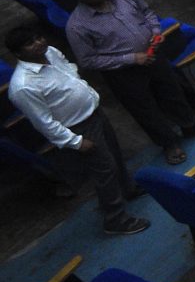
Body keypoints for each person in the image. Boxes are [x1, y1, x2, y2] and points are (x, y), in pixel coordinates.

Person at [62, 0, 195, 165]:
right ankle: (169, 144)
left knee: (171, 92)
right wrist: (131, 58)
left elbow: (146, 11)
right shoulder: (77, 26)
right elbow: (88, 60)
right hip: (122, 72)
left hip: (153, 54)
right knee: (145, 109)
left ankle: (190, 125)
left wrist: (156, 31)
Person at [6, 26, 150, 235]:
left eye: (38, 36)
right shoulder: (23, 86)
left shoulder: (51, 53)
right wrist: (75, 141)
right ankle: (115, 219)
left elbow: (69, 70)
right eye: (30, 43)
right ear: (19, 54)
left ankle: (128, 188)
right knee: (105, 170)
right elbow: (43, 122)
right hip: (78, 127)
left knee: (115, 155)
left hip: (94, 112)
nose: (38, 43)